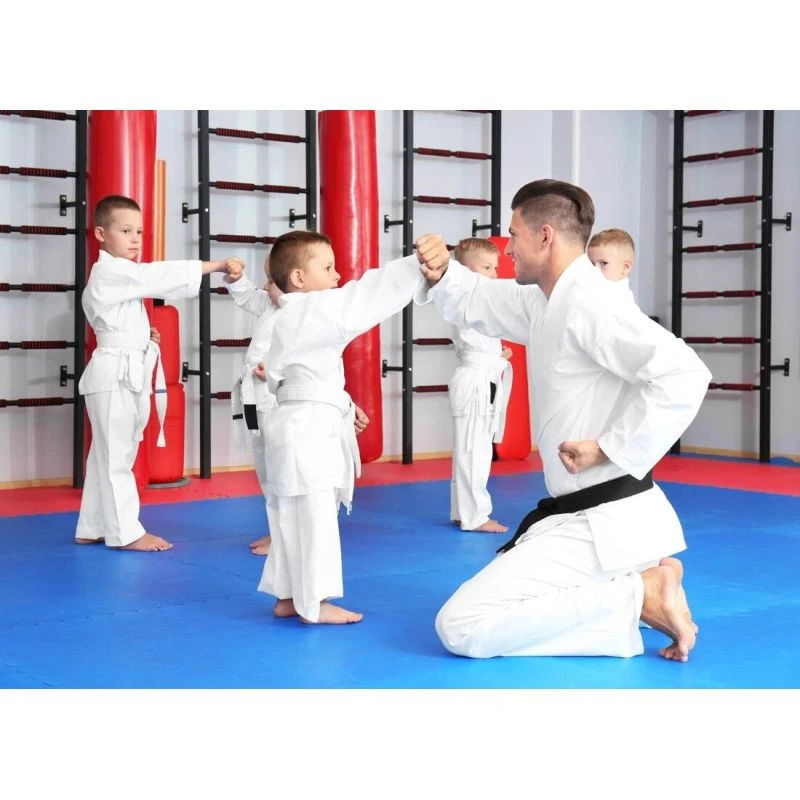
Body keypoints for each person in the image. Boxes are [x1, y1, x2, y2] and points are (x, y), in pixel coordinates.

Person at [419, 179, 711, 662]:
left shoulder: (594, 304)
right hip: (588, 517)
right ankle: (639, 580)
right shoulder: (548, 299)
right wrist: (442, 270)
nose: (507, 249)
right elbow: (482, 301)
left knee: (461, 627)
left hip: (604, 521)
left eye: (514, 235)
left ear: (545, 235)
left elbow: (685, 374)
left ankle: (639, 592)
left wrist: (610, 447)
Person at [256, 229, 448, 625]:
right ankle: (315, 603)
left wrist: (343, 405)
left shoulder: (286, 317)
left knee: (289, 514)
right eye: (327, 268)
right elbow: (367, 296)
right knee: (316, 517)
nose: (338, 275)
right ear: (298, 278)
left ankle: (288, 595)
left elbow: (298, 379)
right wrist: (416, 264)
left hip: (291, 423)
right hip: (309, 429)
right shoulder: (314, 309)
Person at [75, 194, 242, 552]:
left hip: (119, 370)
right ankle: (126, 533)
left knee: (106, 455)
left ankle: (93, 525)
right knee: (117, 457)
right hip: (114, 374)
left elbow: (116, 319)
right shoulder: (113, 271)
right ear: (101, 234)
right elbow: (156, 275)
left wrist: (142, 337)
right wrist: (214, 265)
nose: (135, 239)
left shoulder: (118, 275)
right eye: (125, 231)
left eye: (139, 231)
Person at [225, 256, 371, 556]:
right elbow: (248, 296)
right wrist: (237, 279)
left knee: (297, 475)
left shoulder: (315, 319)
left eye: (272, 282)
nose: (266, 288)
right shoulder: (271, 306)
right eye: (267, 281)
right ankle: (279, 532)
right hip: (259, 400)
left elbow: (322, 372)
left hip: (291, 403)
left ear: (296, 284)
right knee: (269, 473)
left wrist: (346, 405)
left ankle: (291, 538)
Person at [446, 237, 512, 534]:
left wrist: (497, 357)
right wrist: (496, 358)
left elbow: (478, 344)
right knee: (474, 452)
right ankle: (475, 516)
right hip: (475, 382)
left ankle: (462, 512)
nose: (494, 274)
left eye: (495, 268)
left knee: (470, 449)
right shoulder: (466, 297)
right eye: (486, 267)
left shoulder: (476, 300)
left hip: (480, 378)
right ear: (464, 271)